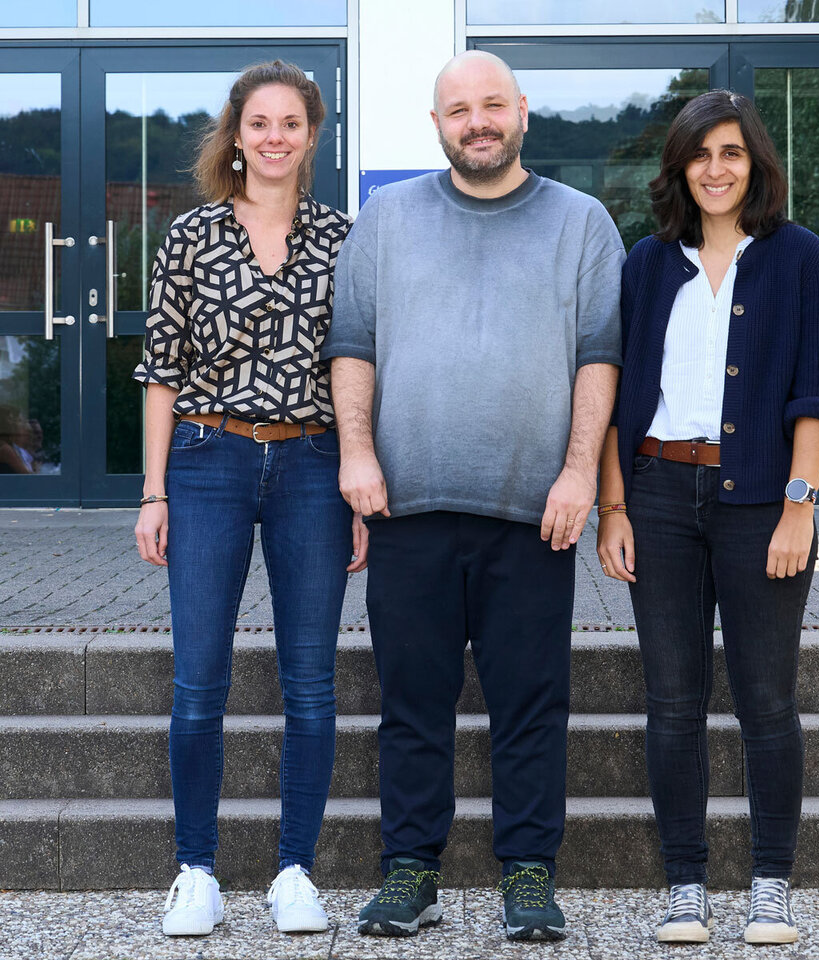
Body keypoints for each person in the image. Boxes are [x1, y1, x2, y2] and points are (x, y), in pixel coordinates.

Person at [323, 50, 624, 942]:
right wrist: (356, 457)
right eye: (460, 110)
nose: (478, 121)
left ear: (523, 111)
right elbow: (353, 347)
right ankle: (410, 871)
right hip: (406, 506)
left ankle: (528, 872)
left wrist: (578, 475)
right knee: (411, 703)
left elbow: (598, 359)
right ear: (437, 124)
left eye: (493, 105)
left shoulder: (582, 222)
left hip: (534, 513)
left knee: (531, 702)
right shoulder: (387, 219)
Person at [597, 89, 819, 947]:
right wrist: (613, 506)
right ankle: (686, 883)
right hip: (660, 495)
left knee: (766, 700)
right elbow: (620, 396)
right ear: (681, 166)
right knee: (672, 700)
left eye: (733, 152)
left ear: (756, 164)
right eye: (701, 154)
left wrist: (797, 511)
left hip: (761, 507)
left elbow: (816, 394)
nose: (717, 168)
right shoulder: (647, 264)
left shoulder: (799, 259)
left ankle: (771, 881)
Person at [132, 59, 365, 937]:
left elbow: (357, 371)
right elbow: (159, 371)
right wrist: (153, 493)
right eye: (258, 124)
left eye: (291, 124)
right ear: (235, 136)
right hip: (205, 461)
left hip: (311, 465)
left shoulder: (343, 237)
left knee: (311, 683)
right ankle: (195, 870)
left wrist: (356, 473)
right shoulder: (190, 235)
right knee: (200, 682)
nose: (274, 138)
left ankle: (294, 871)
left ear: (312, 135)